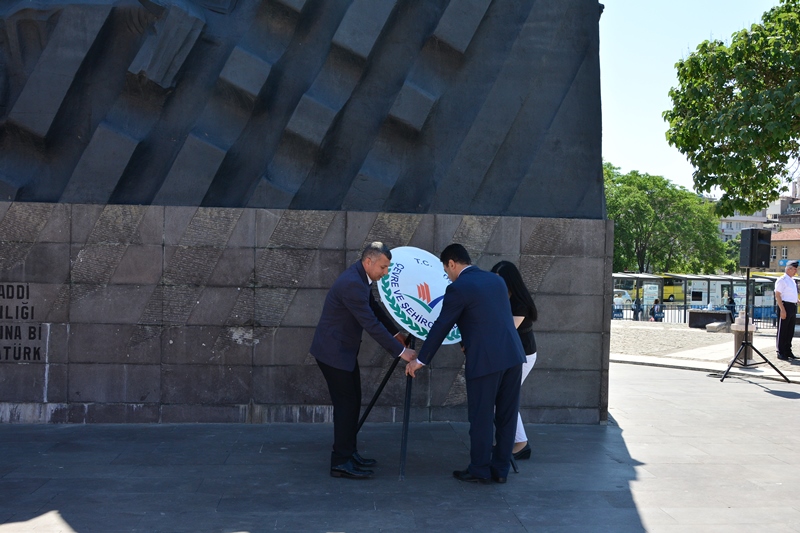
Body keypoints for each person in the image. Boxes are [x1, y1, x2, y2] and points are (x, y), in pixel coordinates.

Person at [406, 244, 525, 484]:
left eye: (445, 269)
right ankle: (500, 471)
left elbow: (442, 325)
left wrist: (421, 360)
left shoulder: (458, 288)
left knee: (481, 417)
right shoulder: (496, 281)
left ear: (451, 263)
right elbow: (488, 318)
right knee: (507, 416)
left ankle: (480, 469)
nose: (447, 275)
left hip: (485, 360)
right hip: (513, 355)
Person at [310, 242, 417, 479]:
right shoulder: (352, 284)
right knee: (346, 406)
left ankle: (349, 452)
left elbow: (374, 308)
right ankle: (340, 461)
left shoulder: (360, 278)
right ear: (368, 261)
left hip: (342, 352)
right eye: (383, 267)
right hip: (333, 354)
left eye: (388, 267)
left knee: (353, 401)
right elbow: (370, 323)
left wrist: (396, 333)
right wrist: (401, 353)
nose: (385, 272)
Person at [490, 260, 537, 461]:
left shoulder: (520, 303)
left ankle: (520, 443)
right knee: (501, 400)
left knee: (504, 400)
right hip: (511, 355)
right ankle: (513, 441)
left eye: (500, 280)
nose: (497, 284)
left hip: (523, 356)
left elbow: (506, 330)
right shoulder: (502, 298)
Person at [775, 260, 799, 361]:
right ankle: (780, 351)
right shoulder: (782, 280)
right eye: (794, 269)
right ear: (789, 269)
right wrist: (782, 310)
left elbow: (789, 294)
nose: (796, 271)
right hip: (785, 306)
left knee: (790, 330)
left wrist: (796, 300)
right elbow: (778, 295)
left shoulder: (792, 280)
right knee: (783, 330)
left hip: (792, 306)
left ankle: (787, 350)